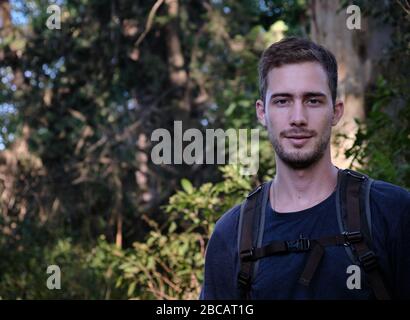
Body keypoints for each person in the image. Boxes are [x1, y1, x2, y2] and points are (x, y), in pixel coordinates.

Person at [199, 37, 410, 300]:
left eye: (313, 100)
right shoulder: (232, 234)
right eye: (282, 101)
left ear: (336, 111)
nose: (298, 118)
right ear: (262, 112)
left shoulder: (392, 212)